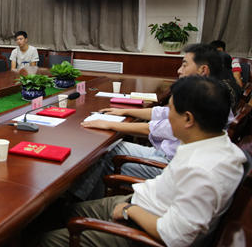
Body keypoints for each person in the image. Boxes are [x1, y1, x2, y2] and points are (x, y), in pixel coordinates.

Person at [38, 76, 247, 247]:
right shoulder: (213, 143)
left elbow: (175, 237)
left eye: (171, 110)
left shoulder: (203, 171)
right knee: (62, 211)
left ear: (188, 119)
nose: (167, 118)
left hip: (140, 230)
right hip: (144, 202)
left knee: (46, 240)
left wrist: (129, 211)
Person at [71, 43, 227, 200]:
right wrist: (124, 111)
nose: (179, 70)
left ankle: (77, 204)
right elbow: (162, 113)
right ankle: (82, 201)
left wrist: (109, 124)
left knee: (102, 154)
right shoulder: (208, 93)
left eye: (185, 65)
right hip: (167, 155)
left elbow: (158, 128)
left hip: (168, 165)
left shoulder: (205, 101)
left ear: (203, 70)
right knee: (109, 148)